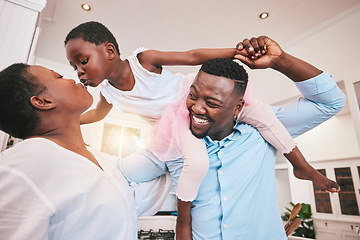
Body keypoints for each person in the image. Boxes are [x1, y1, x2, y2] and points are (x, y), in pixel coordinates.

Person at [64, 22, 340, 239]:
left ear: (237, 107)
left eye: (212, 102)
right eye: (195, 96)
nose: (197, 108)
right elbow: (115, 173)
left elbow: (331, 102)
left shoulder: (260, 130)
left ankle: (303, 167)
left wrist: (263, 57)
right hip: (169, 132)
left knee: (265, 117)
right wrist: (68, 122)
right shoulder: (169, 147)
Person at [0, 63, 173, 240]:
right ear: (43, 101)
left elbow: (127, 203)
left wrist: (182, 142)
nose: (71, 78)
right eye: (59, 76)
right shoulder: (22, 166)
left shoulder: (97, 159)